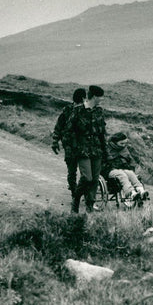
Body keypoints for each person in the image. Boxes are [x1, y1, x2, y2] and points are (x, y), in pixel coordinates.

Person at [67, 85, 107, 213]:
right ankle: (76, 199)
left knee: (95, 180)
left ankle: (90, 206)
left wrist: (105, 151)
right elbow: (68, 131)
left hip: (96, 149)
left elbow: (102, 133)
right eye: (100, 97)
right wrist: (72, 149)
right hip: (82, 149)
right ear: (94, 97)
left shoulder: (99, 111)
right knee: (87, 177)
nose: (101, 99)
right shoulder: (78, 111)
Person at [52, 87, 86, 199]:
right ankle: (75, 193)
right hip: (76, 146)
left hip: (71, 146)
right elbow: (59, 126)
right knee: (79, 171)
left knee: (73, 172)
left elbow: (58, 127)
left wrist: (55, 141)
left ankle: (75, 192)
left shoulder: (68, 110)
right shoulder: (70, 110)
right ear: (83, 97)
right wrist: (55, 141)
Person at [104, 131, 148, 200]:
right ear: (115, 142)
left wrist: (130, 167)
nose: (124, 145)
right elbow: (104, 162)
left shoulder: (124, 149)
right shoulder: (107, 149)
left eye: (125, 143)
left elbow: (130, 160)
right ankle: (131, 193)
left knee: (130, 173)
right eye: (121, 143)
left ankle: (141, 191)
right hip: (110, 170)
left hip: (122, 169)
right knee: (122, 175)